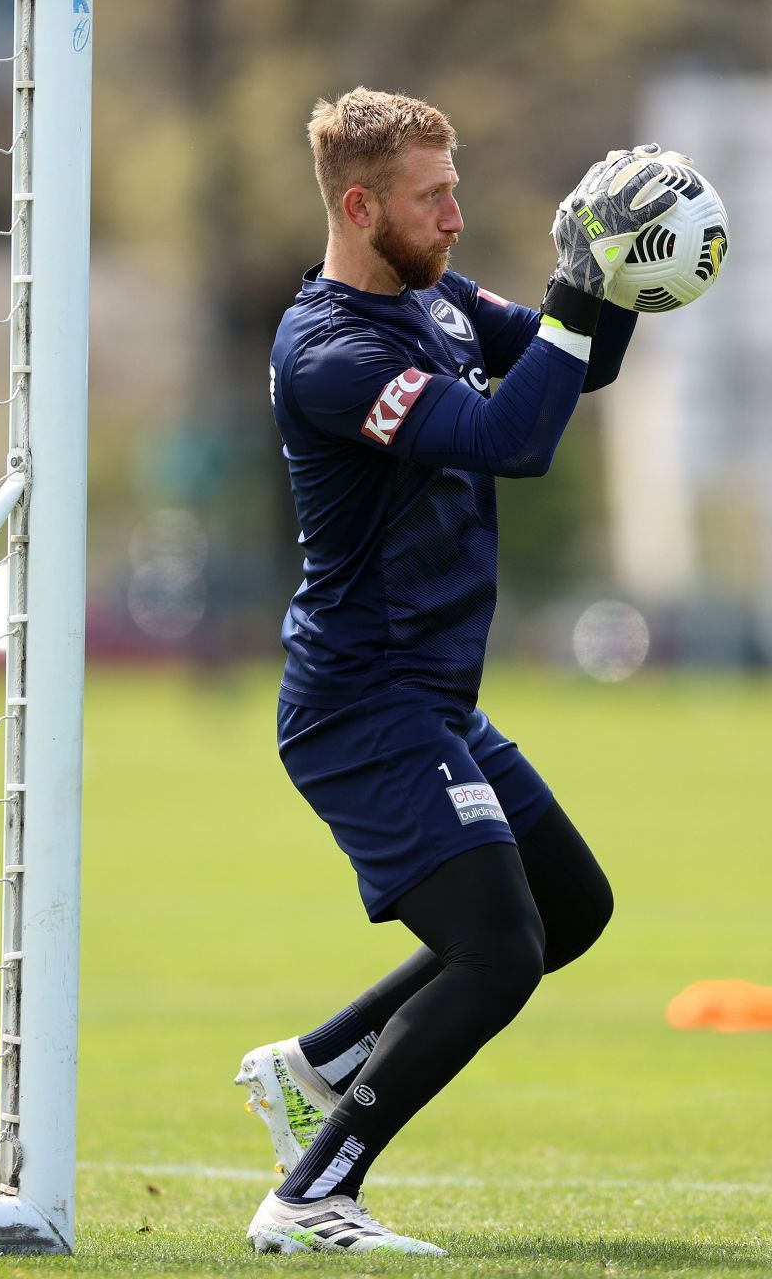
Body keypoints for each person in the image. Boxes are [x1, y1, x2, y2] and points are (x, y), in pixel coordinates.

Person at [237, 86, 673, 1255]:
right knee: (498, 950)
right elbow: (509, 439)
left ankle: (314, 1066)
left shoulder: (439, 303)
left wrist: (624, 270)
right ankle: (311, 1194)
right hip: (360, 706)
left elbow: (572, 369)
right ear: (362, 204)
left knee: (569, 907)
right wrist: (586, 287)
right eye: (434, 198)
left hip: (430, 703)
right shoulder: (326, 349)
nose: (457, 216)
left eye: (457, 188)